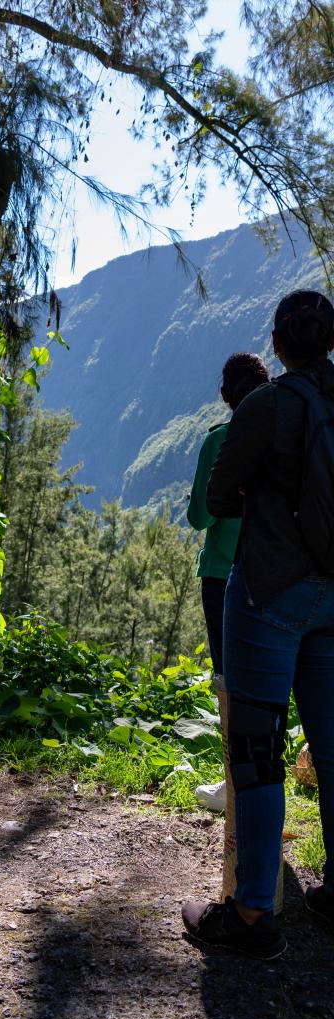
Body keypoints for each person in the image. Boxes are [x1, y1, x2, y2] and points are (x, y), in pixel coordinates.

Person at [182, 290, 334, 960]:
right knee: (330, 744)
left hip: (269, 591)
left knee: (256, 749)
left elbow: (217, 499)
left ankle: (250, 914)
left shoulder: (264, 407)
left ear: (278, 342)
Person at [187, 353, 269, 812]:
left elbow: (200, 514)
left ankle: (233, 786)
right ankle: (263, 778)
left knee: (228, 679)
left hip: (222, 574)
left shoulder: (219, 440)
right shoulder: (282, 437)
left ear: (225, 395)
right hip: (278, 570)